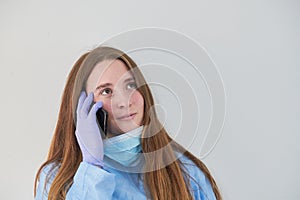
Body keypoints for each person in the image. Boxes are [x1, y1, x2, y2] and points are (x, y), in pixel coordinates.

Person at [34, 46, 222, 200]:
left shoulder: (185, 171)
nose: (125, 101)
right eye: (106, 91)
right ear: (82, 106)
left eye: (130, 85)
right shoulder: (56, 179)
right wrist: (91, 167)